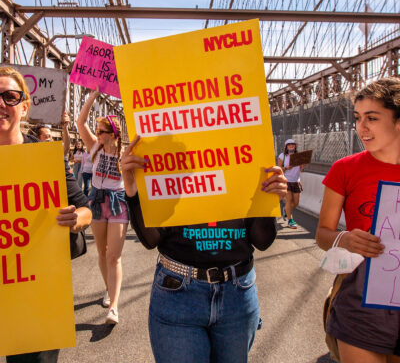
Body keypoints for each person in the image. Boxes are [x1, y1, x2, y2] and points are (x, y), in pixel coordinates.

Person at [121, 135, 287, 363]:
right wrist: (132, 190)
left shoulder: (247, 155)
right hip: (178, 294)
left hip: (237, 295)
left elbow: (263, 240)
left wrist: (269, 201)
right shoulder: (172, 154)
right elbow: (151, 239)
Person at [0, 65, 92, 362]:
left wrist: (75, 219)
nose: (1, 103)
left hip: (34, 292)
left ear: (24, 107)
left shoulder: (43, 159)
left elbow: (85, 209)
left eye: (10, 96)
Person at [316, 77, 400, 363]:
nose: (361, 127)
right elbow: (323, 234)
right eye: (358, 118)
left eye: (372, 118)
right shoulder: (345, 169)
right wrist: (345, 239)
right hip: (361, 300)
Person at [77, 88, 129, 325]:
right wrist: (94, 95)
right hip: (97, 201)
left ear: (112, 134)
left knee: (114, 256)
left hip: (118, 202)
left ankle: (114, 307)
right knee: (101, 252)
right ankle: (109, 290)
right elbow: (80, 122)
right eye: (96, 131)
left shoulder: (124, 152)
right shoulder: (94, 148)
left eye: (100, 132)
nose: (96, 134)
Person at [278, 139, 304, 229]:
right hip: (286, 180)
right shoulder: (282, 156)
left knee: (296, 202)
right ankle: (290, 220)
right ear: (286, 146)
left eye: (293, 145)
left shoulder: (299, 156)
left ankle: (286, 210)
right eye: (289, 145)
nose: (291, 146)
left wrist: (302, 166)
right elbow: (279, 169)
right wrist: (286, 168)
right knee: (289, 200)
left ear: (295, 146)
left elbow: (302, 170)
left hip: (296, 181)